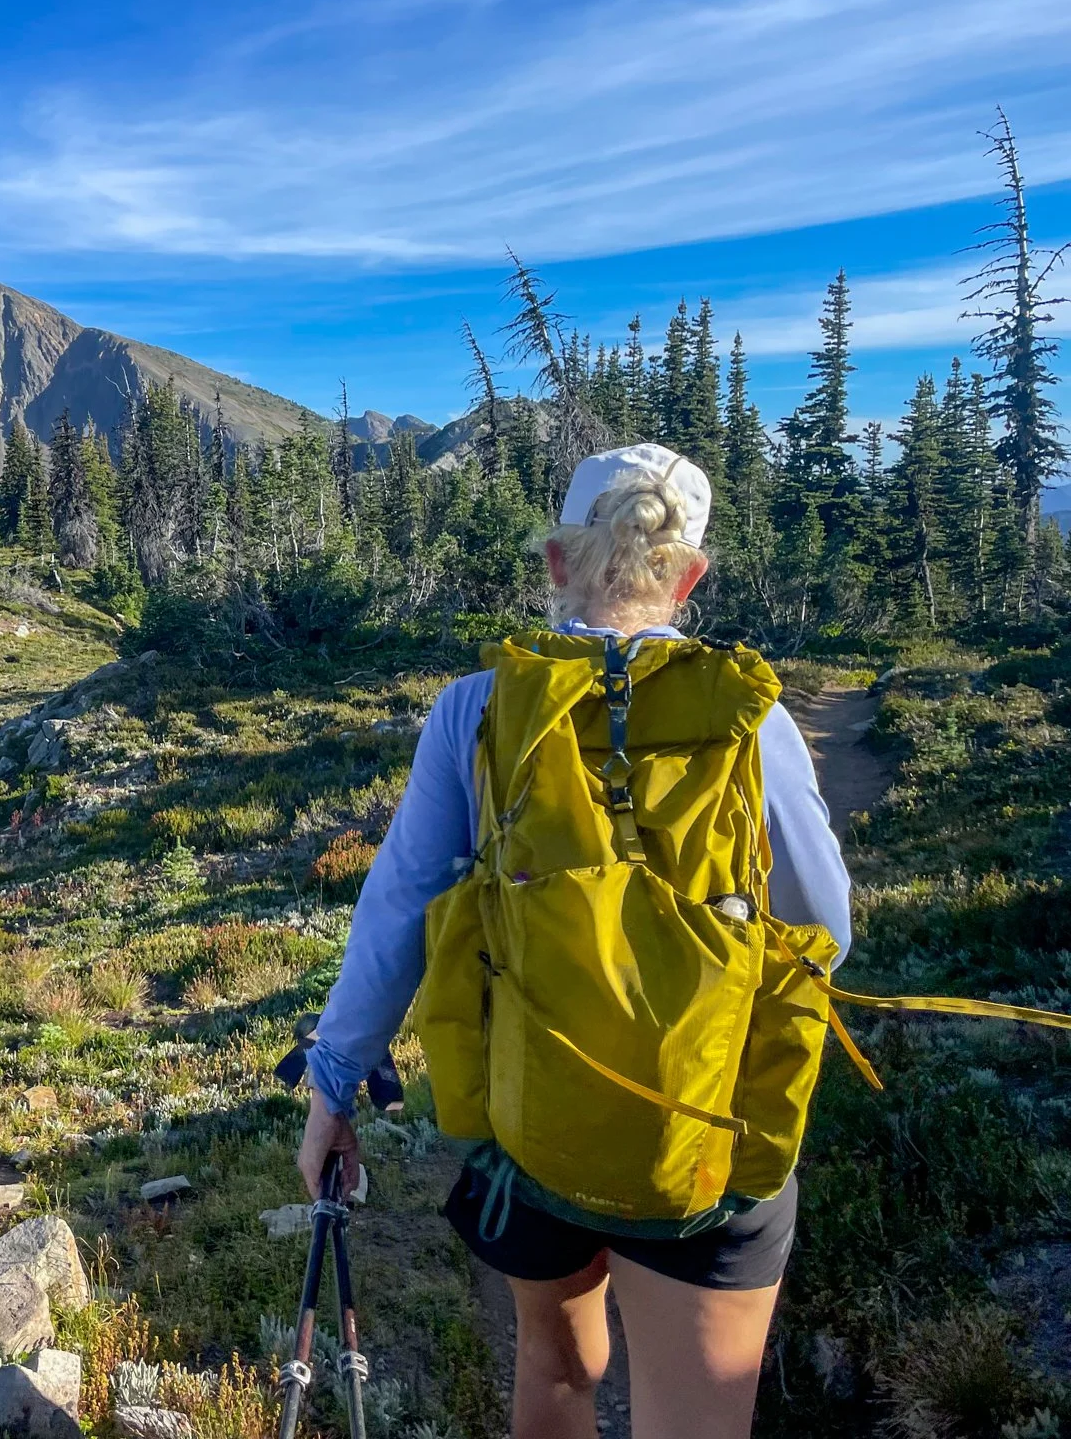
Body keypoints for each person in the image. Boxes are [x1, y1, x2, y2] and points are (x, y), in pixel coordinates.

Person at [296, 443, 853, 1439]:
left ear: (555, 562)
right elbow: (822, 923)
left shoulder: (475, 709)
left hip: (532, 1125)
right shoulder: (749, 716)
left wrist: (334, 1086)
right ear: (687, 577)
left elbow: (397, 915)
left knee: (555, 1372)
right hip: (702, 1132)